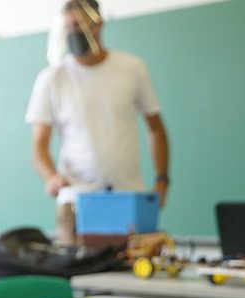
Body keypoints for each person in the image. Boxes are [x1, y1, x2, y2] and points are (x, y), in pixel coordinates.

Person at [27, 0, 170, 246]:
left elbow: (156, 128)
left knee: (130, 278)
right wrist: (51, 177)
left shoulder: (131, 68)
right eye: (69, 26)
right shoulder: (52, 78)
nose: (74, 31)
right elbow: (39, 146)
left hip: (127, 199)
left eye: (80, 24)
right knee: (78, 276)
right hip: (76, 202)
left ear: (98, 23)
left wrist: (162, 180)